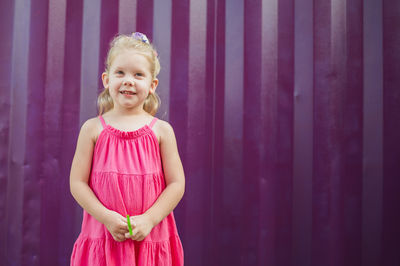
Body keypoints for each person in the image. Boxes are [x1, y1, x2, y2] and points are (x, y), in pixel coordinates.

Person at [69, 32, 185, 265]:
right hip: (104, 238)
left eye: (138, 74)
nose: (128, 80)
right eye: (120, 72)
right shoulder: (92, 129)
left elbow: (176, 184)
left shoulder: (162, 131)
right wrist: (107, 218)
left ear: (152, 85)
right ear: (106, 80)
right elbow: (77, 183)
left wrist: (150, 220)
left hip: (150, 238)